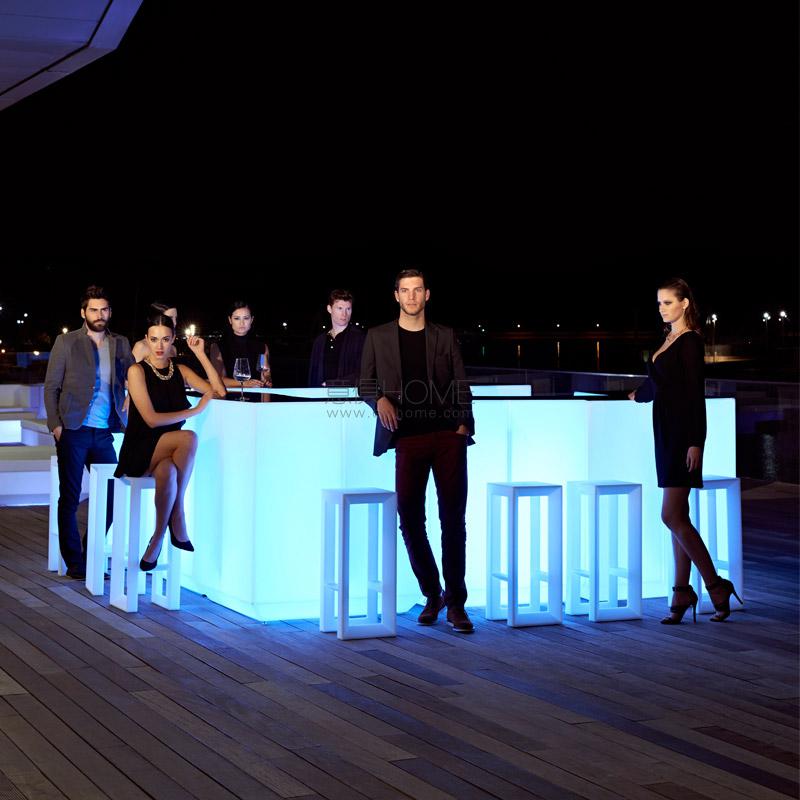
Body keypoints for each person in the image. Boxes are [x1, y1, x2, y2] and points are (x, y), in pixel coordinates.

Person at [360, 269, 476, 633]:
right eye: (405, 290)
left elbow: (461, 382)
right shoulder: (378, 336)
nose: (411, 296)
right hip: (407, 437)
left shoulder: (445, 335)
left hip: (447, 437)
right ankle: (432, 593)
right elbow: (364, 382)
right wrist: (379, 399)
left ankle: (456, 604)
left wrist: (463, 426)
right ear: (396, 295)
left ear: (427, 294)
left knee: (453, 520)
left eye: (417, 290)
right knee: (410, 518)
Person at [629, 277, 742, 623]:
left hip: (681, 435)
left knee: (671, 516)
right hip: (665, 431)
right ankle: (681, 592)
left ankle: (716, 586)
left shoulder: (691, 341)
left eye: (668, 302)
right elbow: (660, 385)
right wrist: (634, 395)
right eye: (659, 303)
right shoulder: (669, 338)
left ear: (684, 304)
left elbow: (694, 394)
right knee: (680, 515)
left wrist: (696, 442)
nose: (662, 308)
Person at [115, 312, 226, 570]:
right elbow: (151, 420)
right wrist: (194, 411)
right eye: (154, 339)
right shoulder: (137, 371)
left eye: (165, 339)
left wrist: (200, 354)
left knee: (169, 472)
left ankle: (157, 539)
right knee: (189, 437)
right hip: (140, 449)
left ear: (173, 339)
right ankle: (178, 514)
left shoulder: (181, 370)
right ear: (146, 339)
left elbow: (219, 391)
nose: (159, 346)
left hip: (166, 454)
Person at [44, 285, 134, 579]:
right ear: (84, 312)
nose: (99, 314)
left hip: (104, 431)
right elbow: (51, 387)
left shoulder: (120, 343)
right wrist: (56, 425)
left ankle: (89, 556)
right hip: (73, 429)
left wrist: (130, 397)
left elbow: (134, 377)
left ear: (110, 312)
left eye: (104, 309)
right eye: (94, 310)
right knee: (69, 497)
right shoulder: (66, 342)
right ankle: (75, 563)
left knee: (111, 495)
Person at [308, 289, 366, 387]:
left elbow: (364, 374)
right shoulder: (319, 341)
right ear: (329, 309)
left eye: (348, 309)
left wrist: (332, 384)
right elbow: (312, 376)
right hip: (320, 395)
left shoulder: (360, 339)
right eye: (340, 308)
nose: (344, 314)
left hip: (348, 395)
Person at [210, 300, 272, 389]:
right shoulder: (218, 347)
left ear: (252, 320)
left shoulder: (262, 347)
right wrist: (244, 383)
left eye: (246, 318)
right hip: (230, 395)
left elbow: (266, 373)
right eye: (237, 318)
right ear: (230, 320)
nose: (242, 323)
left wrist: (267, 379)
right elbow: (218, 380)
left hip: (256, 394)